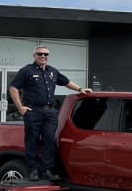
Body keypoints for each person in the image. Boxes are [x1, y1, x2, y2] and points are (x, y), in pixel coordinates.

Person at [9, 45, 92, 181]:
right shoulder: (26, 71)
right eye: (40, 54)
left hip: (50, 112)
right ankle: (33, 170)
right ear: (34, 56)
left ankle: (46, 169)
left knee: (50, 140)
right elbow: (13, 88)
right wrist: (20, 108)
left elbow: (66, 82)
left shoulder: (52, 71)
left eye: (45, 54)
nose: (43, 56)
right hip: (33, 111)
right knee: (32, 140)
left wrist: (80, 89)